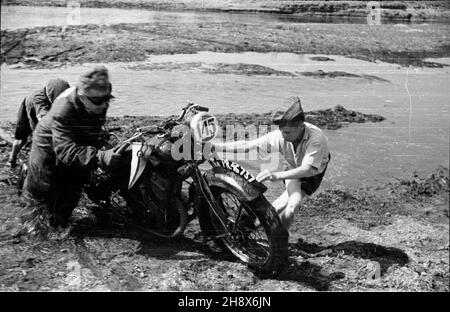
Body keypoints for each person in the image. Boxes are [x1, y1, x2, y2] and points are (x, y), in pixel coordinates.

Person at [20, 66, 127, 239]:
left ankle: (60, 222)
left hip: (77, 141)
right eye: (99, 102)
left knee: (72, 190)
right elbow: (65, 149)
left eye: (107, 99)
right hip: (48, 148)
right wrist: (100, 156)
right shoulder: (63, 109)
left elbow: (93, 127)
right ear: (83, 97)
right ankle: (36, 229)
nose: (105, 105)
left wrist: (101, 143)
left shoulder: (98, 99)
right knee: (41, 193)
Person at [212, 96, 331, 232]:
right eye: (281, 131)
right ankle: (260, 227)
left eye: (287, 132)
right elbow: (247, 146)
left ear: (301, 126)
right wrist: (215, 147)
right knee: (289, 203)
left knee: (292, 206)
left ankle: (278, 238)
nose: (283, 136)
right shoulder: (280, 135)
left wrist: (276, 175)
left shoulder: (316, 139)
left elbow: (308, 169)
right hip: (292, 164)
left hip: (313, 170)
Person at [8, 78, 71, 167]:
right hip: (29, 109)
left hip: (45, 108)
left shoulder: (62, 94)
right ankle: (12, 159)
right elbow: (43, 119)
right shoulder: (38, 99)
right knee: (22, 138)